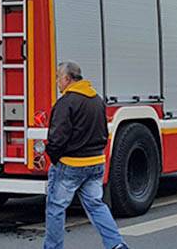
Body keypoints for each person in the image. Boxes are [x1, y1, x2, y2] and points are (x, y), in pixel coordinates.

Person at [44, 61, 128, 249]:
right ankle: (116, 245)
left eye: (58, 77)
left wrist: (53, 157)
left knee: (56, 209)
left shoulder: (66, 103)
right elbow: (103, 134)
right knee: (96, 205)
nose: (57, 81)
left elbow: (57, 138)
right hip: (96, 163)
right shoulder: (96, 99)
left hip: (70, 165)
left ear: (67, 78)